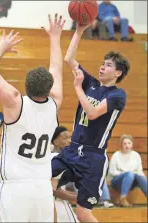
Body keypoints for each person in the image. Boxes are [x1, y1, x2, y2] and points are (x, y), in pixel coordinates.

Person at [0, 14, 65, 222]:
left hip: (15, 187)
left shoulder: (15, 102)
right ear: (49, 87)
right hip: (42, 188)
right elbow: (57, 69)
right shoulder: (55, 102)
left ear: (26, 85)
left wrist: (2, 46)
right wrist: (55, 38)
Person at [52, 22, 130, 222]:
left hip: (92, 158)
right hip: (71, 151)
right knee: (41, 178)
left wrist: (77, 87)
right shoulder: (92, 83)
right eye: (102, 63)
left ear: (118, 73)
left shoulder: (117, 95)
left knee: (83, 213)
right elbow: (69, 59)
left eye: (108, 65)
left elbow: (93, 113)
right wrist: (79, 30)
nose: (102, 67)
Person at [108, 134, 148, 207]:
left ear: (132, 144)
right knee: (129, 174)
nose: (127, 145)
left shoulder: (136, 155)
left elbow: (140, 171)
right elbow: (112, 172)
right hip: (117, 181)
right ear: (121, 145)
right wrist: (123, 173)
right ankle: (123, 198)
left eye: (129, 143)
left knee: (141, 176)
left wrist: (133, 173)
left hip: (131, 180)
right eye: (125, 143)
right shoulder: (116, 155)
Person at [51, 126, 78, 222]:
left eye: (70, 138)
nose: (69, 141)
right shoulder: (55, 157)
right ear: (55, 142)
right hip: (56, 203)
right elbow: (53, 190)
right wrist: (76, 197)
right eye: (65, 138)